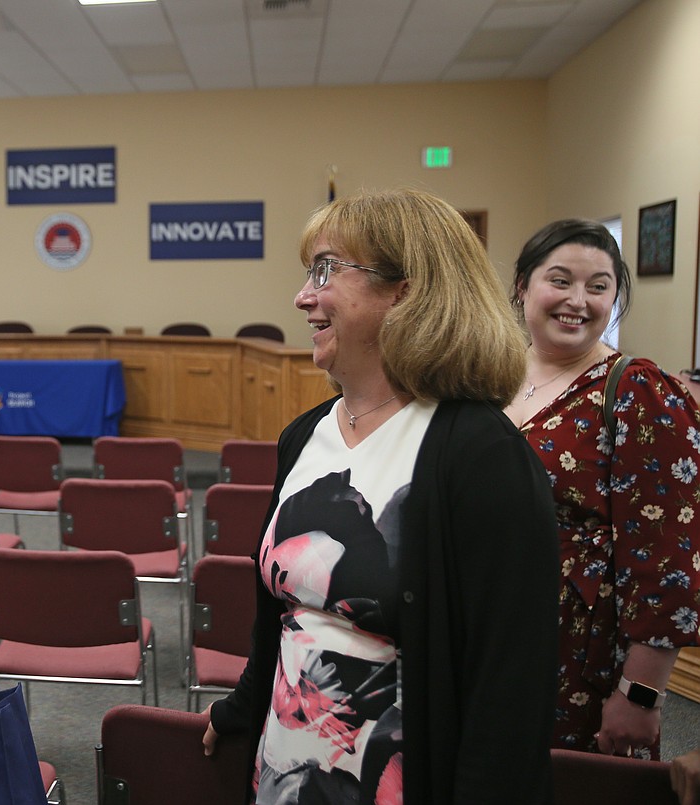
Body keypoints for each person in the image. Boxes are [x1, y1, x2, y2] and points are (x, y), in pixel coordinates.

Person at [200, 188, 560, 804]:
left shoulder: (480, 454)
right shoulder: (303, 435)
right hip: (287, 768)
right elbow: (280, 618)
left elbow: (509, 693)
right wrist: (242, 707)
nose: (303, 297)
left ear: (406, 291)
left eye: (326, 270)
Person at [504, 219, 700, 760]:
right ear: (523, 286)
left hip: (577, 658)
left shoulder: (638, 390)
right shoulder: (488, 375)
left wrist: (641, 693)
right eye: (560, 281)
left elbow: (669, 554)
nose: (578, 301)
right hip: (483, 635)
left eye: (598, 287)